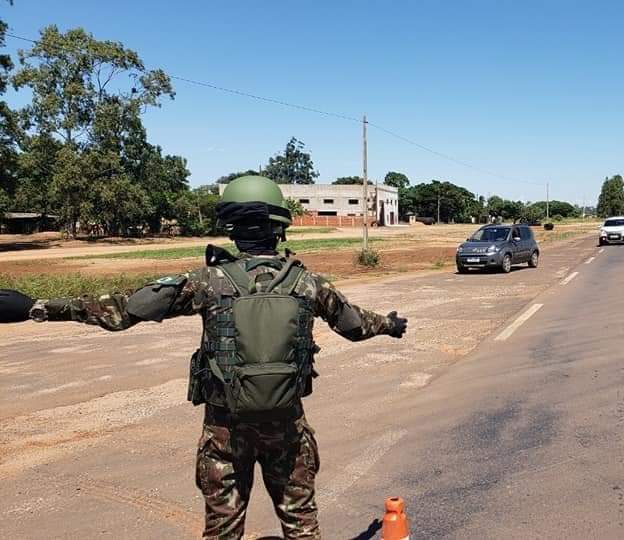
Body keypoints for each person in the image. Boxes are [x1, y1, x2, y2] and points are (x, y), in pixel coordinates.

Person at [0, 175, 407, 539]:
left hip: (224, 431)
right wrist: (389, 324)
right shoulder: (308, 283)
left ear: (230, 228)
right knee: (301, 525)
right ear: (280, 228)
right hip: (286, 426)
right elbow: (355, 326)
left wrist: (37, 307)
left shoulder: (207, 282)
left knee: (222, 529)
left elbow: (122, 311)